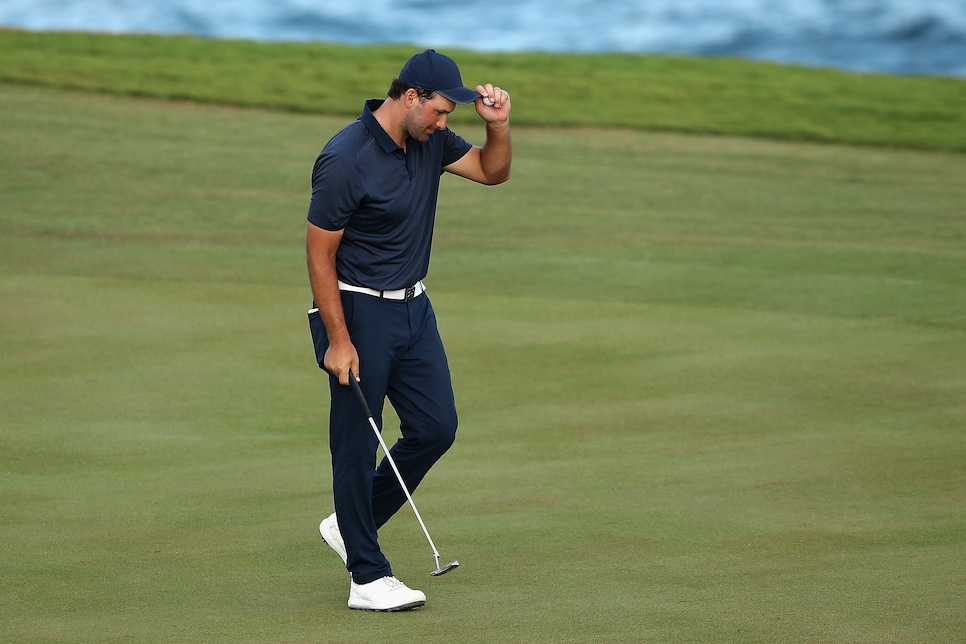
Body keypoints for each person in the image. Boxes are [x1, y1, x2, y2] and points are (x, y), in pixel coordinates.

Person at [305, 49, 512, 612]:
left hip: (414, 309)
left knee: (435, 427)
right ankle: (367, 577)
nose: (446, 125)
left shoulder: (428, 142)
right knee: (355, 443)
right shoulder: (346, 157)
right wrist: (339, 339)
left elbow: (493, 172)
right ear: (410, 97)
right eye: (442, 112)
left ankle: (352, 524)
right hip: (358, 311)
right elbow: (319, 254)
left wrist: (499, 129)